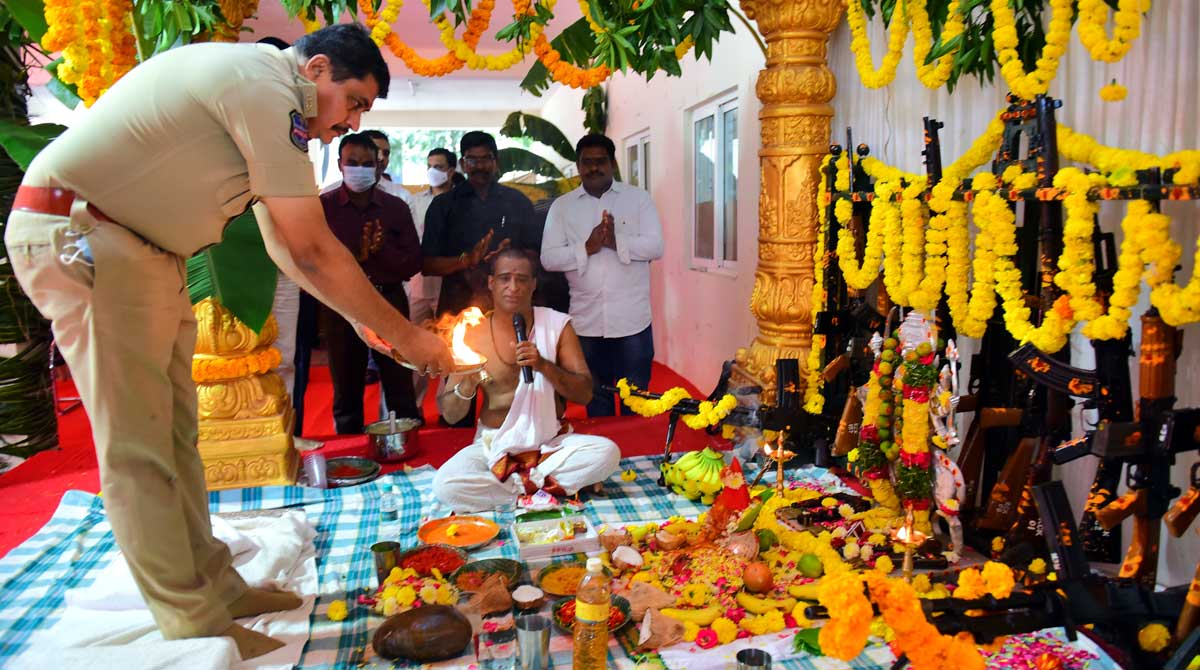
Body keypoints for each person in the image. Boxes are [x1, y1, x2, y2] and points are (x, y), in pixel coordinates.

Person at [4, 24, 452, 660]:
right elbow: (310, 246)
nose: (351, 125)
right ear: (317, 69)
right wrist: (408, 336)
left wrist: (360, 321)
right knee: (140, 447)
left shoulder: (270, 96)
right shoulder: (264, 85)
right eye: (353, 102)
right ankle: (190, 621)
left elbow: (282, 243)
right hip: (86, 235)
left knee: (177, 434)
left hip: (146, 250)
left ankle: (215, 584)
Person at [432, 248, 620, 512]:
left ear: (533, 285)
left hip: (549, 444)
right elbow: (451, 415)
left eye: (521, 279)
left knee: (608, 453)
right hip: (493, 445)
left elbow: (585, 394)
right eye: (504, 278)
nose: (513, 287)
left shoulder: (557, 325)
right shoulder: (471, 333)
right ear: (491, 283)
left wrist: (543, 365)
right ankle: (544, 487)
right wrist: (467, 384)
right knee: (446, 484)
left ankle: (512, 490)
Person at [422, 131, 541, 426]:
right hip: (459, 310)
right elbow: (427, 264)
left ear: (496, 161)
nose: (479, 166)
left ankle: (515, 444)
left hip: (508, 311)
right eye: (472, 160)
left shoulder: (517, 202)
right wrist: (466, 261)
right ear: (462, 163)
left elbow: (537, 255)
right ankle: (458, 446)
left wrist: (508, 258)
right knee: (458, 399)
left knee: (511, 394)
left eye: (485, 158)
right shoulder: (443, 206)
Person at [541, 133, 664, 417]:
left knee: (637, 400)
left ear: (612, 164)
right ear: (578, 165)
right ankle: (603, 445)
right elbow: (548, 258)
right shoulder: (562, 207)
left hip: (632, 320)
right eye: (587, 162)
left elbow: (656, 247)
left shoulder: (638, 199)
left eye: (601, 161)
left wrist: (616, 242)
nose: (594, 168)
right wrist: (587, 247)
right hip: (586, 321)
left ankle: (635, 444)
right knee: (596, 400)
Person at [320, 132, 423, 432]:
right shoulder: (323, 207)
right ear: (340, 165)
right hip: (342, 305)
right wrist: (357, 257)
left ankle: (405, 443)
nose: (359, 170)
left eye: (367, 164)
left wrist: (380, 252)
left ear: (378, 166)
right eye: (352, 163)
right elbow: (317, 261)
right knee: (346, 384)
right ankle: (349, 444)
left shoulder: (395, 207)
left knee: (399, 378)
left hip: (388, 299)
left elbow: (413, 262)